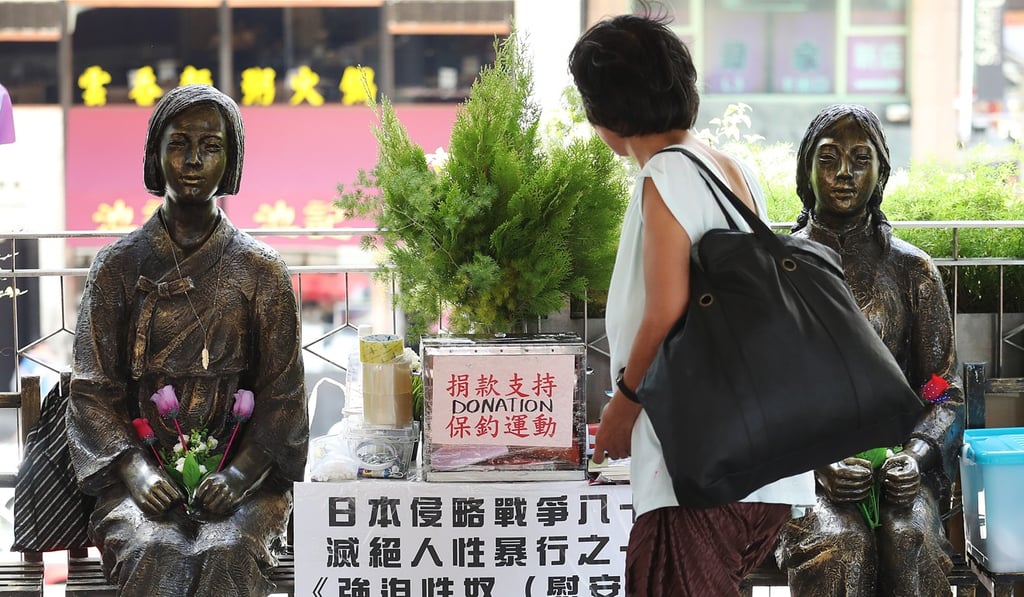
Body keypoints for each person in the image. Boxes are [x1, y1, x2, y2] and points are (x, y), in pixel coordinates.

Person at [569, 9, 816, 595]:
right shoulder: (731, 168)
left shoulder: (667, 175)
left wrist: (623, 407)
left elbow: (667, 309)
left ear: (606, 109)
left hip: (701, 470)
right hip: (757, 464)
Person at [66, 84, 308, 597]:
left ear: (232, 158)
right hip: (142, 484)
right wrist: (135, 472)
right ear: (155, 155)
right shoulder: (117, 267)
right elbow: (91, 395)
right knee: (157, 551)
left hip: (241, 482)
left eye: (211, 146)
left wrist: (240, 478)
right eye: (178, 144)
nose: (193, 161)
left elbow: (283, 402)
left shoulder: (261, 271)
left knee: (225, 553)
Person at [775, 103, 965, 596]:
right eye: (829, 157)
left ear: (881, 174)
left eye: (861, 159)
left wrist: (917, 456)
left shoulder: (912, 270)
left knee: (908, 536)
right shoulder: (775, 269)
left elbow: (943, 389)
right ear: (806, 168)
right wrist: (816, 463)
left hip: (897, 470)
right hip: (800, 477)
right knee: (843, 546)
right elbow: (757, 395)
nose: (843, 173)